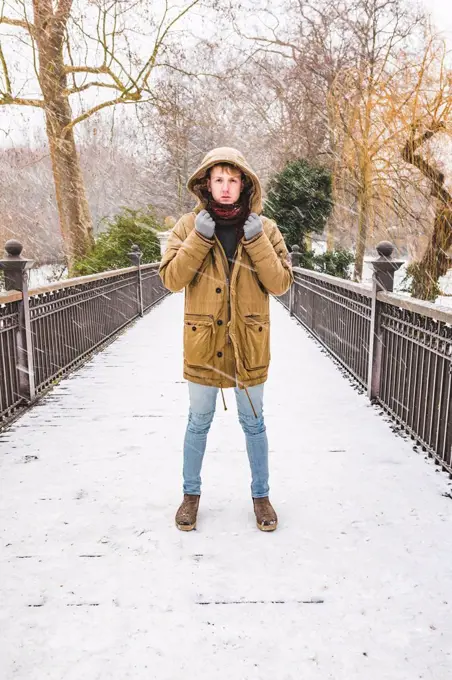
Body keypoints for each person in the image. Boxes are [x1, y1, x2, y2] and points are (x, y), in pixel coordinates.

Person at [159, 147, 293, 532]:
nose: (226, 187)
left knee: (254, 423)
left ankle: (261, 497)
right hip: (203, 343)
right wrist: (198, 240)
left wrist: (259, 244)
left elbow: (281, 284)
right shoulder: (188, 226)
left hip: (249, 343)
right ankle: (190, 496)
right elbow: (170, 279)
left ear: (245, 184)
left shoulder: (265, 229)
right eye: (218, 179)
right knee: (198, 421)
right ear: (206, 183)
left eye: (233, 179)